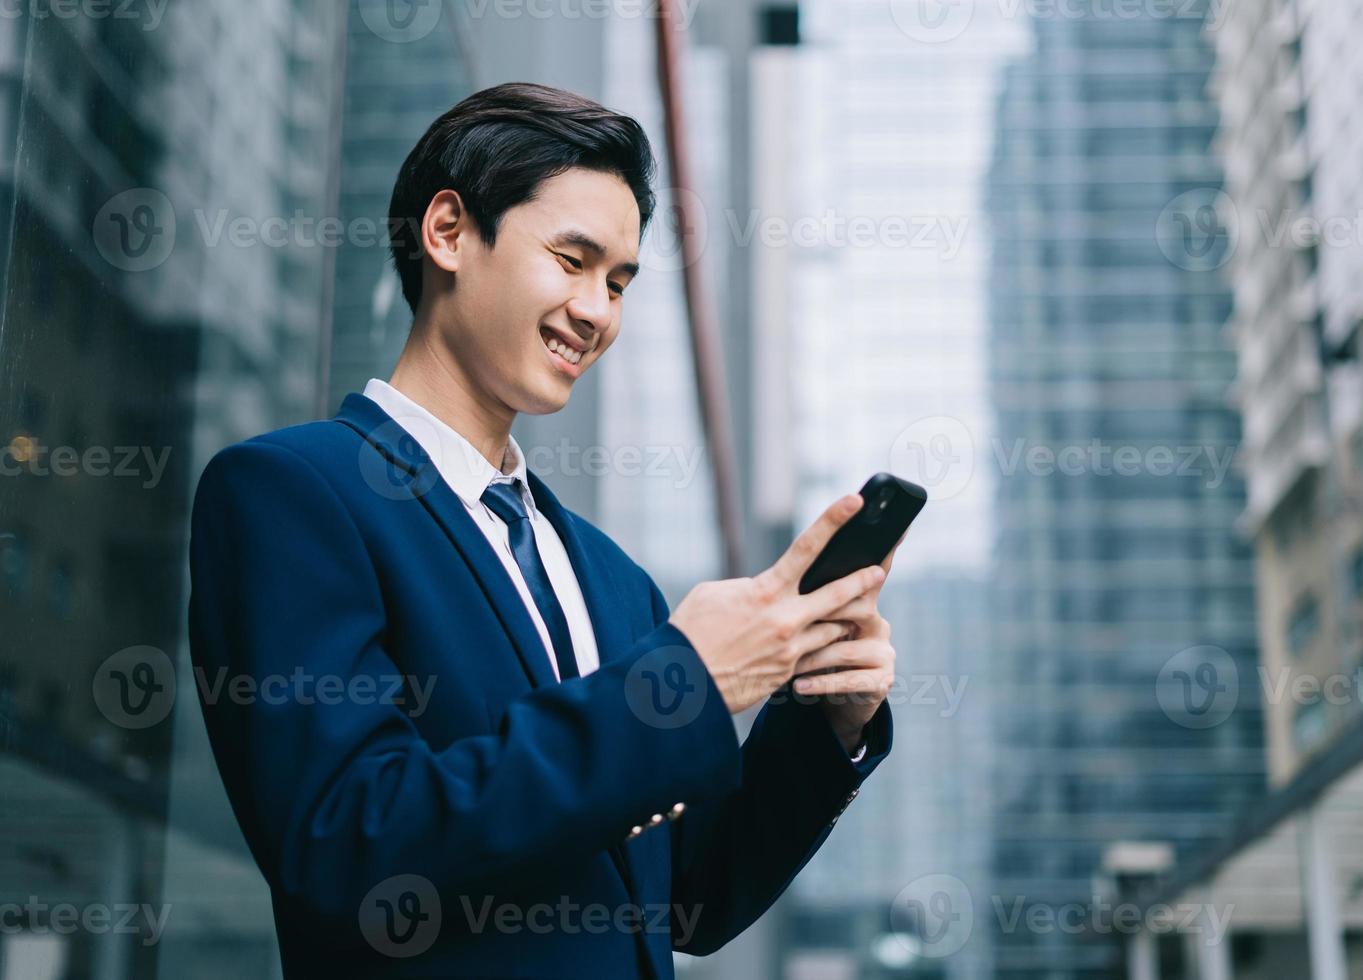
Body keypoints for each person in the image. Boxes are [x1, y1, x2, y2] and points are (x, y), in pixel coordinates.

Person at [187, 81, 898, 979]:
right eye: (572, 259)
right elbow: (350, 845)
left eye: (620, 282)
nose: (599, 312)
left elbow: (688, 898)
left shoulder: (611, 579)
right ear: (448, 233)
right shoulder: (291, 494)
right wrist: (683, 683)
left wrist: (823, 720)